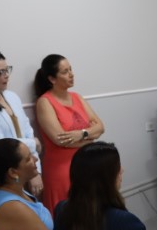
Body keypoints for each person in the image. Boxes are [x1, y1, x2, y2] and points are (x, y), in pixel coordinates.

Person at [34, 54, 104, 213]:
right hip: (62, 169)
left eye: (71, 69)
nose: (71, 74)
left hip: (87, 163)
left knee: (90, 212)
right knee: (67, 215)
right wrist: (90, 136)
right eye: (65, 72)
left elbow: (100, 127)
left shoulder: (77, 97)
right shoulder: (45, 102)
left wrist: (81, 134)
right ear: (52, 79)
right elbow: (61, 140)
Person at [0, 49, 43, 197]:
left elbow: (28, 132)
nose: (6, 75)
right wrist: (33, 143)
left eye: (7, 70)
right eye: (0, 72)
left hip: (23, 172)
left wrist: (35, 171)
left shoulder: (12, 96)